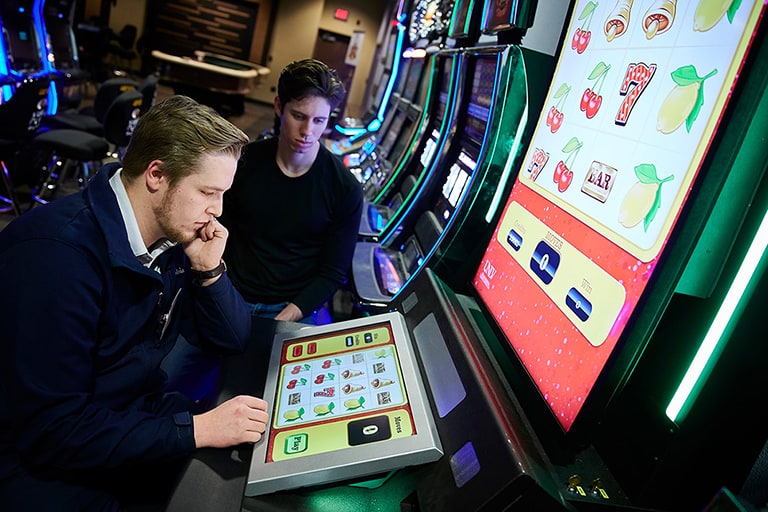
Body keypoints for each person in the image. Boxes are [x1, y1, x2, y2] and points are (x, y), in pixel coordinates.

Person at [0, 95, 269, 511]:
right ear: (156, 175)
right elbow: (52, 431)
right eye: (207, 192)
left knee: (235, 473)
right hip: (34, 457)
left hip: (120, 414)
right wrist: (194, 431)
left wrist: (209, 272)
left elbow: (233, 338)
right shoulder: (56, 257)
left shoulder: (174, 234)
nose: (216, 213)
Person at [219, 58, 364, 324]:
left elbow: (333, 271)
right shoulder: (243, 161)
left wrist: (287, 317)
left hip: (292, 307)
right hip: (229, 293)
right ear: (278, 107)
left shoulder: (345, 188)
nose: (308, 131)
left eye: (319, 120)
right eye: (299, 116)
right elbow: (217, 227)